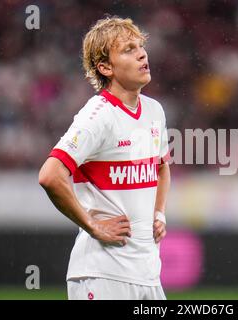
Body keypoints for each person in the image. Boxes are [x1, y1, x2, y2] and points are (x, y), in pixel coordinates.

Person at [38, 16, 171, 300]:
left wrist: (158, 213)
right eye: (128, 49)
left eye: (140, 46)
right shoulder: (98, 116)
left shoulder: (154, 110)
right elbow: (50, 175)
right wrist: (93, 225)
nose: (141, 53)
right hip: (103, 275)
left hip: (148, 274)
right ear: (105, 67)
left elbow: (161, 168)